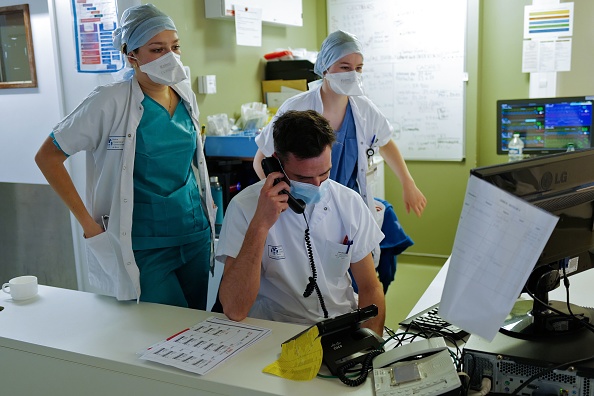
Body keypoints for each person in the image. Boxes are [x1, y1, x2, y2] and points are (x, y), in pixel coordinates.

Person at [34, 4, 215, 309]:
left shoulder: (184, 93)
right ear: (131, 54)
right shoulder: (110, 100)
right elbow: (47, 157)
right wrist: (88, 225)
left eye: (175, 47)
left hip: (193, 232)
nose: (170, 57)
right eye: (157, 49)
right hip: (142, 243)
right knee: (162, 329)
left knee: (196, 328)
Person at [216, 110, 385, 335]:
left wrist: (369, 345)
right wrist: (261, 225)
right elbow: (235, 309)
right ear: (276, 164)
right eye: (304, 178)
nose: (316, 185)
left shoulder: (348, 202)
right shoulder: (244, 208)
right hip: (276, 333)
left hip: (341, 325)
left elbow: (370, 287)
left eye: (324, 174)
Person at [254, 30, 427, 222]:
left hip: (346, 208)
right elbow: (261, 158)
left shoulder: (364, 109)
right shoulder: (297, 107)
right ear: (325, 67)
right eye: (345, 67)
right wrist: (280, 200)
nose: (353, 74)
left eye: (359, 68)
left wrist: (408, 183)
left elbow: (385, 142)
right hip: (301, 210)